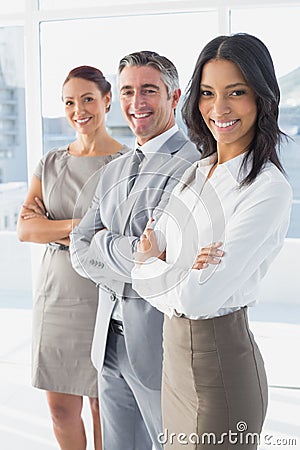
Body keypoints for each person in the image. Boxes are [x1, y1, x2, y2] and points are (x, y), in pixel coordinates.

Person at [132, 33, 292, 449]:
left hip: (221, 364)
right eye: (207, 93)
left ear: (262, 98)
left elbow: (197, 300)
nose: (218, 108)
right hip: (174, 360)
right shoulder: (195, 171)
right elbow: (140, 271)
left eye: (235, 92)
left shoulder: (266, 189)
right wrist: (170, 268)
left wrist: (157, 261)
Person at [69, 51, 201, 450]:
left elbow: (166, 261)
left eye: (149, 90)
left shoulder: (193, 165)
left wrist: (105, 242)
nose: (136, 102)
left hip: (159, 346)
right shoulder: (116, 168)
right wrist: (128, 250)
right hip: (108, 339)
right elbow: (79, 248)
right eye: (127, 90)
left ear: (174, 97)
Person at [17, 65, 129, 450]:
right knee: (60, 409)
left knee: (103, 407)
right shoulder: (50, 163)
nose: (78, 110)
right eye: (69, 102)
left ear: (107, 101)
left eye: (87, 99)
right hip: (55, 298)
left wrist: (57, 227)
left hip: (102, 299)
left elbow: (118, 238)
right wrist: (84, 227)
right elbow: (26, 229)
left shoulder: (126, 164)